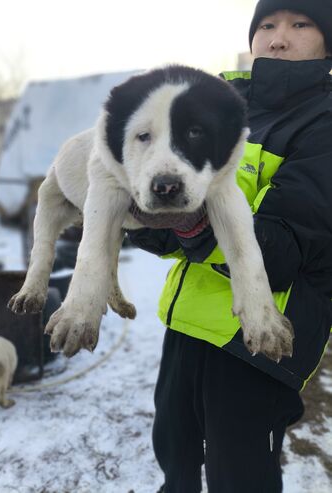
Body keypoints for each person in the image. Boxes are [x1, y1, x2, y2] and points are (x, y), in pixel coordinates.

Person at [127, 0, 332, 491]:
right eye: (267, 24)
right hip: (187, 323)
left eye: (300, 24)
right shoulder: (217, 115)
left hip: (259, 339)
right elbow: (168, 231)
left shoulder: (322, 127)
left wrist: (194, 217)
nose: (278, 37)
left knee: (239, 477)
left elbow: (284, 250)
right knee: (174, 456)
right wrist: (134, 212)